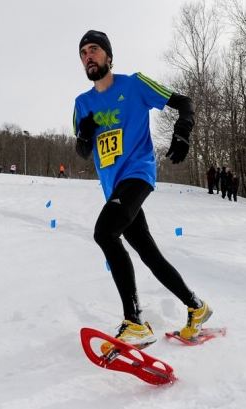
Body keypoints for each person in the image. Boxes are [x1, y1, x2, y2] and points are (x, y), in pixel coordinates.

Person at [74, 30, 212, 352]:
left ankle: (134, 321)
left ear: (108, 55)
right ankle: (196, 307)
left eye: (94, 50)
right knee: (149, 254)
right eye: (82, 53)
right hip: (113, 187)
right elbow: (83, 151)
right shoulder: (82, 104)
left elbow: (184, 103)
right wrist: (84, 135)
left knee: (105, 233)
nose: (88, 56)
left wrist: (182, 133)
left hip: (138, 174)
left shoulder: (134, 85)